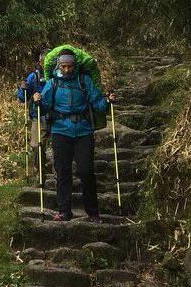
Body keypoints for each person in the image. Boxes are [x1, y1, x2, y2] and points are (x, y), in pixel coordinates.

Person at [33, 50, 117, 222]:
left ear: (75, 65)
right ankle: (64, 211)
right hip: (60, 131)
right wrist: (37, 101)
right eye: (64, 66)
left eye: (70, 66)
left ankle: (92, 212)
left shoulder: (84, 80)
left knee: (86, 172)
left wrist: (108, 101)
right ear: (58, 65)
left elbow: (98, 103)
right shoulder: (53, 83)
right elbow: (43, 107)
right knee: (63, 172)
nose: (67, 69)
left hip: (83, 131)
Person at [16, 50, 49, 183]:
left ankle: (58, 173)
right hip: (38, 115)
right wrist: (23, 89)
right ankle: (39, 171)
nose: (46, 64)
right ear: (40, 62)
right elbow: (22, 98)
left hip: (55, 114)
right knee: (37, 145)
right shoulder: (34, 76)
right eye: (44, 61)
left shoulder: (57, 75)